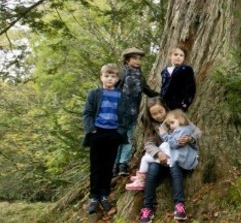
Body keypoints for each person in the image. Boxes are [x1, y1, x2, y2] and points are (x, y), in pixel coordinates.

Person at [137, 98, 201, 223]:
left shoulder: (176, 117)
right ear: (150, 116)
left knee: (175, 169)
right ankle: (147, 208)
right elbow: (148, 144)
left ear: (165, 108)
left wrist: (190, 139)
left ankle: (179, 205)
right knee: (152, 170)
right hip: (161, 158)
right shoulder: (152, 127)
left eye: (160, 111)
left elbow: (197, 131)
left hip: (177, 157)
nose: (159, 116)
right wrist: (158, 153)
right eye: (154, 114)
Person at [82, 63, 129, 214]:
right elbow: (88, 113)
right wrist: (92, 129)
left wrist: (120, 132)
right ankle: (94, 197)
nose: (109, 79)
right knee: (96, 167)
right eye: (106, 76)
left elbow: (127, 116)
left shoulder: (122, 96)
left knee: (108, 167)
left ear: (117, 79)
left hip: (113, 134)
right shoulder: (94, 94)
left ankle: (104, 195)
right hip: (98, 133)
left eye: (113, 76)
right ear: (101, 77)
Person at [125, 109, 199, 191]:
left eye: (172, 123)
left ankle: (141, 180)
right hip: (174, 157)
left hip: (174, 159)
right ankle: (141, 177)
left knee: (145, 159)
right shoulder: (181, 129)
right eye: (169, 124)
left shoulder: (182, 130)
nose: (170, 126)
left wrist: (164, 134)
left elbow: (174, 144)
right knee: (149, 155)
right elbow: (150, 143)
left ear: (180, 120)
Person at [114, 47, 159, 176]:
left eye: (139, 59)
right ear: (127, 60)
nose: (138, 61)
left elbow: (148, 91)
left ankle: (123, 165)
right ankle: (114, 165)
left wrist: (161, 96)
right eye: (134, 58)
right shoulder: (121, 74)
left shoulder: (140, 76)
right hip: (118, 113)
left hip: (132, 114)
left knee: (128, 138)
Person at [160, 45, 196, 111]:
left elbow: (191, 87)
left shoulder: (186, 69)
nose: (178, 57)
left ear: (184, 58)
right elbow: (163, 86)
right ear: (170, 56)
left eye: (181, 55)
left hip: (179, 103)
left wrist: (186, 102)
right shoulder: (165, 71)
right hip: (165, 103)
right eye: (175, 54)